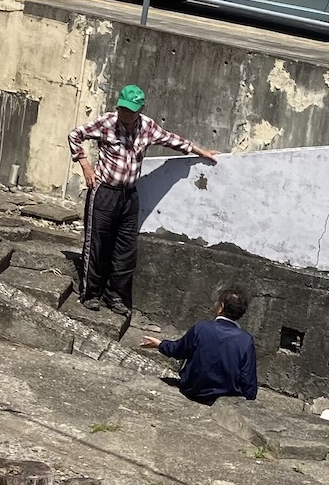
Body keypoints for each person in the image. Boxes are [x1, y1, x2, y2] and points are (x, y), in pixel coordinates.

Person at [68, 84, 219, 316]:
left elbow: (172, 140)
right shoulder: (107, 122)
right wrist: (86, 166)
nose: (126, 115)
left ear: (140, 110)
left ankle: (115, 295)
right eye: (123, 110)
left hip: (129, 194)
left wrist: (202, 152)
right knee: (97, 244)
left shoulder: (147, 127)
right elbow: (75, 135)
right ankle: (91, 294)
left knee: (126, 248)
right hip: (105, 191)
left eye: (131, 111)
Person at [140, 286, 258, 405]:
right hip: (225, 399)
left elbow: (178, 350)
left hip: (194, 390)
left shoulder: (202, 327)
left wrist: (160, 344)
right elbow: (248, 379)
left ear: (220, 307)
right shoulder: (246, 340)